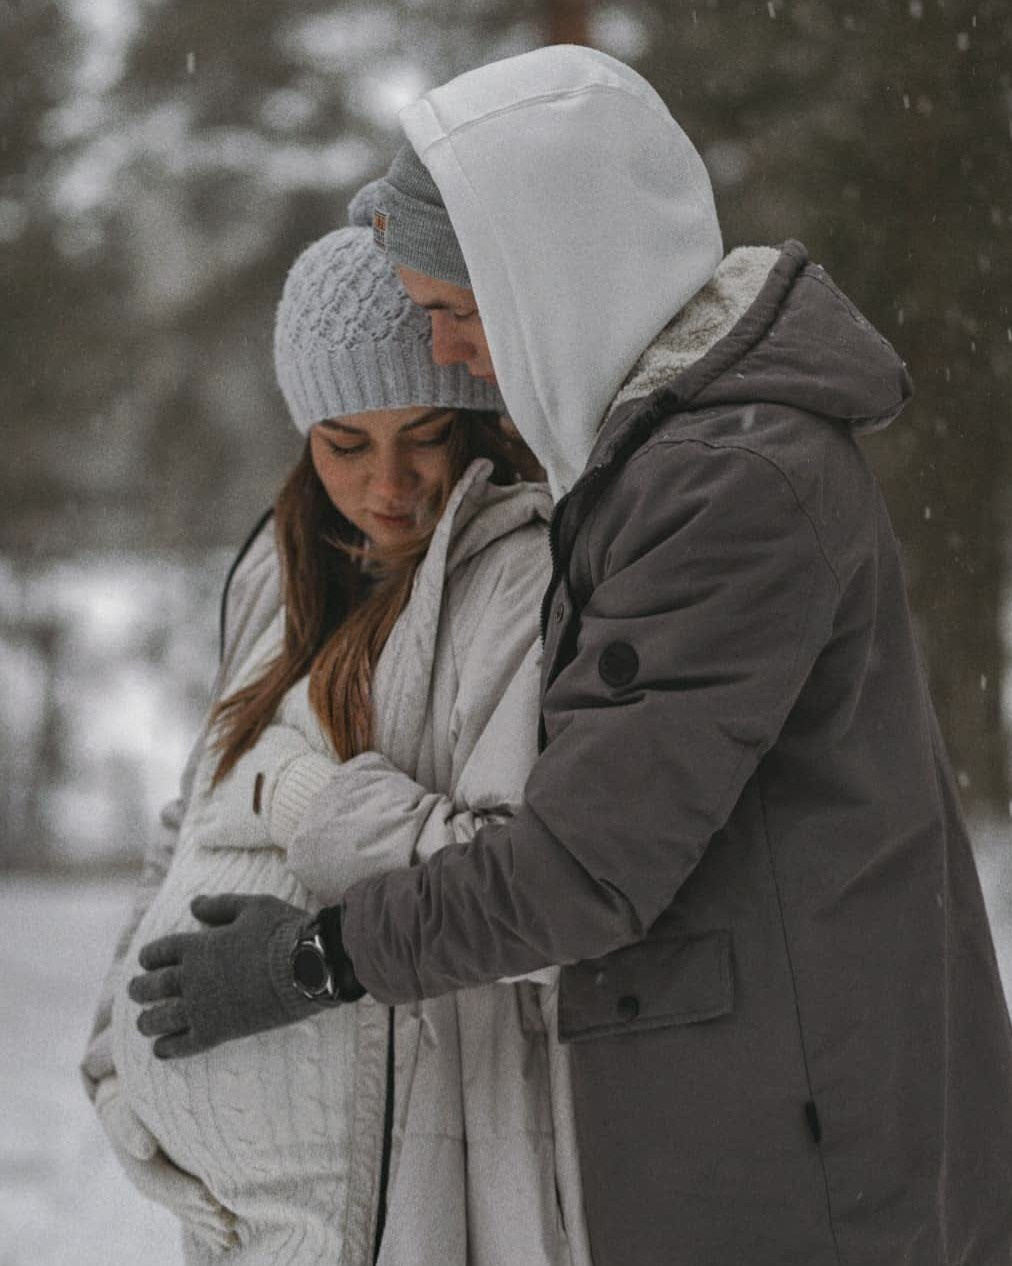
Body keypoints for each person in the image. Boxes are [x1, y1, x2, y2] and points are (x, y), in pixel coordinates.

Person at [129, 45, 1012, 1266]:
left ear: (544, 274)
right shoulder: (660, 463)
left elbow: (579, 872)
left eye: (457, 316)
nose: (464, 358)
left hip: (802, 1128)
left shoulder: (723, 486)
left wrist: (309, 960)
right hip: (763, 1099)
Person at [83, 222, 594, 1265]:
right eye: (344, 444)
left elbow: (533, 899)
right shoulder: (279, 577)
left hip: (415, 1186)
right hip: (242, 1222)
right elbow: (194, 812)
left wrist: (308, 799)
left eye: (424, 435)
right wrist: (113, 1059)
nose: (387, 485)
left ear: (475, 424)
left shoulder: (517, 584)